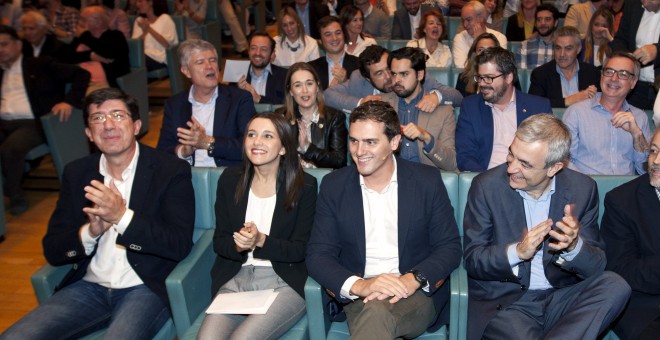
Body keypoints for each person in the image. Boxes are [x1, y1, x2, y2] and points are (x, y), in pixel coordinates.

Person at [0, 88, 195, 339]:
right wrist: (90, 232)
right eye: (98, 118)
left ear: (136, 126)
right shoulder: (77, 173)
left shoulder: (170, 170)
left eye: (117, 115)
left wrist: (121, 217)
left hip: (144, 288)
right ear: (89, 134)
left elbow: (178, 244)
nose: (109, 125)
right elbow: (53, 249)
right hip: (88, 287)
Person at [462, 113, 631, 340]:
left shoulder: (582, 189)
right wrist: (517, 252)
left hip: (562, 297)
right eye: (512, 155)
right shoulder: (486, 186)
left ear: (554, 168)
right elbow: (473, 259)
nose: (511, 168)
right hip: (511, 303)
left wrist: (573, 247)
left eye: (525, 164)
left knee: (616, 285)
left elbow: (597, 266)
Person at [306, 100, 462, 339]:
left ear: (394, 142)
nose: (359, 151)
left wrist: (414, 279)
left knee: (377, 313)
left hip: (413, 294)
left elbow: (449, 247)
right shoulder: (334, 186)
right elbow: (318, 255)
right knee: (375, 311)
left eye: (370, 142)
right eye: (354, 141)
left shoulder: (426, 181)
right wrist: (361, 285)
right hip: (359, 294)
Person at [196, 112, 317, 339]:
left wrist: (260, 241)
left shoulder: (305, 186)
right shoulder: (230, 180)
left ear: (283, 148)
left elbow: (300, 249)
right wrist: (239, 245)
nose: (257, 142)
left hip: (283, 280)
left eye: (268, 136)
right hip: (236, 277)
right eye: (252, 134)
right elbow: (219, 242)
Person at [0, 24, 90, 215]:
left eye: (4, 44)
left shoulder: (39, 64)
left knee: (10, 149)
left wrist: (69, 102)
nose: (0, 50)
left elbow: (81, 74)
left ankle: (15, 195)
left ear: (17, 45)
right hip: (3, 122)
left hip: (32, 123)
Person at [157, 39, 256, 167]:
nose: (209, 66)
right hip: (186, 177)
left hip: (227, 176)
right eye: (200, 62)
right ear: (186, 71)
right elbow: (162, 151)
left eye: (213, 60)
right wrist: (184, 151)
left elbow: (250, 145)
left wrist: (208, 142)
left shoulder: (239, 99)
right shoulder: (174, 104)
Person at [600, 129, 660, 340]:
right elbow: (620, 269)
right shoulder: (622, 201)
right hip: (648, 308)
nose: (656, 161)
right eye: (653, 151)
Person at [455, 47, 551, 171]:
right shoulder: (470, 106)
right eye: (480, 77)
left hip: (528, 180)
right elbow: (465, 156)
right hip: (486, 179)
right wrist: (486, 181)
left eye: (489, 78)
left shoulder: (538, 107)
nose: (482, 84)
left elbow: (548, 153)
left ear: (509, 77)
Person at [562, 51, 652, 175]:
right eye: (609, 72)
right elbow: (565, 161)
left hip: (625, 190)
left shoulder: (640, 117)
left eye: (623, 74)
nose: (614, 78)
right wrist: (588, 187)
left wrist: (637, 134)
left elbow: (645, 170)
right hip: (588, 189)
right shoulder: (576, 112)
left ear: (633, 82)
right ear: (602, 76)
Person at [325, 45, 463, 113]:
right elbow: (327, 95)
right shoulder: (358, 79)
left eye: (388, 68)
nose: (389, 77)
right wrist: (360, 102)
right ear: (368, 78)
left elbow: (458, 97)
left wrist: (437, 96)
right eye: (379, 73)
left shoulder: (413, 78)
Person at [380, 47, 456, 170]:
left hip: (425, 180)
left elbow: (450, 164)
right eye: (394, 74)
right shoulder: (380, 104)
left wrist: (426, 137)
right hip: (389, 179)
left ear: (420, 74)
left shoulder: (444, 111)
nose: (397, 80)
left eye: (404, 74)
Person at [275, 62, 347, 169]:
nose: (305, 90)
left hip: (323, 182)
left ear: (317, 86)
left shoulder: (334, 118)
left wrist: (307, 148)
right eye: (298, 85)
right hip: (290, 181)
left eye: (309, 83)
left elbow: (339, 161)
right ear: (290, 91)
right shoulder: (281, 116)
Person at [528, 26, 601, 108]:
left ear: (579, 49)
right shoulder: (540, 74)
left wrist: (596, 97)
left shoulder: (592, 73)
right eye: (558, 48)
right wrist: (569, 100)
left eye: (568, 48)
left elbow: (603, 104)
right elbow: (534, 105)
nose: (562, 54)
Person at [609, 0, 659, 110]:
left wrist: (657, 50)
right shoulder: (633, 5)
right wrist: (627, 56)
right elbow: (620, 39)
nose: (643, 3)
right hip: (635, 86)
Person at [72, 5, 129, 88]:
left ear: (98, 22)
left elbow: (109, 53)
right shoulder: (82, 38)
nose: (79, 23)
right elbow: (66, 57)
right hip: (82, 81)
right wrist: (91, 56)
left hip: (104, 83)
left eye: (83, 20)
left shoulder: (116, 36)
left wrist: (85, 35)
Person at [236, 32, 288, 105]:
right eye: (253, 48)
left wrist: (258, 98)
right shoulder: (237, 75)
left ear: (272, 54)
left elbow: (287, 107)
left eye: (263, 49)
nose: (257, 53)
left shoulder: (285, 76)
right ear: (248, 51)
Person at [309, 15, 359, 90]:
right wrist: (328, 93)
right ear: (320, 41)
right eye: (328, 34)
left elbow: (364, 97)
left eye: (338, 33)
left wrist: (346, 83)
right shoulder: (311, 69)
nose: (334, 38)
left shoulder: (359, 65)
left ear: (344, 35)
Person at [453, 0, 507, 68]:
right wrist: (477, 43)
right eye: (463, 20)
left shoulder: (500, 38)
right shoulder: (460, 38)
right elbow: (461, 67)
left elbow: (499, 66)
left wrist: (479, 41)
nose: (465, 24)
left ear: (481, 19)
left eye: (468, 20)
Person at [131, 0, 178, 72]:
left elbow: (167, 44)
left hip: (160, 58)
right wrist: (144, 32)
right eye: (137, 2)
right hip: (142, 56)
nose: (138, 4)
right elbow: (135, 48)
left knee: (135, 60)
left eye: (140, 1)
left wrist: (149, 28)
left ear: (150, 2)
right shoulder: (139, 21)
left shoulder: (165, 18)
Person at [515, 4, 558, 70]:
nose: (542, 23)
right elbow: (522, 76)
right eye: (539, 20)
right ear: (535, 23)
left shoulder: (562, 47)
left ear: (555, 23)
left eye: (547, 19)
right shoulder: (524, 46)